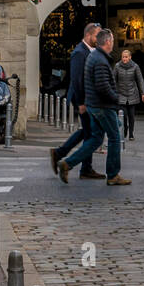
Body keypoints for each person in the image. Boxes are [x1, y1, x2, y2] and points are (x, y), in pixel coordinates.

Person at [58, 29, 130, 185]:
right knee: (114, 138)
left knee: (95, 139)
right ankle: (113, 175)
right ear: (108, 42)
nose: (113, 44)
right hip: (102, 106)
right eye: (112, 41)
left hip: (94, 105)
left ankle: (67, 163)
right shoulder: (101, 61)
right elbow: (103, 87)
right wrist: (118, 99)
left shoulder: (94, 56)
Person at [50, 23, 105, 180]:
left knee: (87, 133)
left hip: (88, 99)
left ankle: (68, 158)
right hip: (83, 100)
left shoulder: (88, 51)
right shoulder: (79, 53)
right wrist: (81, 103)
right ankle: (76, 163)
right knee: (91, 134)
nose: (99, 39)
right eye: (97, 36)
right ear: (88, 35)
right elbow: (77, 79)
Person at [115, 47, 144, 141]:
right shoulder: (117, 66)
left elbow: (140, 80)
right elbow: (113, 79)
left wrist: (143, 93)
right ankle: (125, 129)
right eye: (123, 57)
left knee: (131, 115)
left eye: (126, 57)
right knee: (123, 115)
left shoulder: (135, 66)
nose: (124, 59)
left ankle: (131, 134)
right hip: (121, 93)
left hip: (132, 93)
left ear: (130, 57)